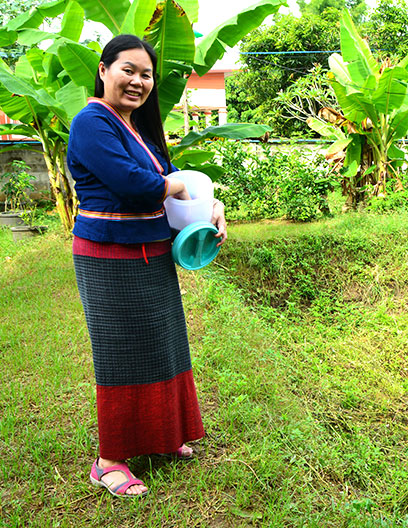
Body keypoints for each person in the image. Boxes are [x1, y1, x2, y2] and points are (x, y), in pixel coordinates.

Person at [67, 34, 227, 498]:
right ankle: (109, 460)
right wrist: (175, 186)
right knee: (121, 353)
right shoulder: (91, 121)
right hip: (109, 255)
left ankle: (160, 437)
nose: (138, 81)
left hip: (151, 252)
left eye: (147, 74)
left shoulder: (137, 128)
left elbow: (174, 187)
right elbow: (137, 186)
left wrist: (211, 209)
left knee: (162, 343)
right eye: (128, 70)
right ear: (103, 70)